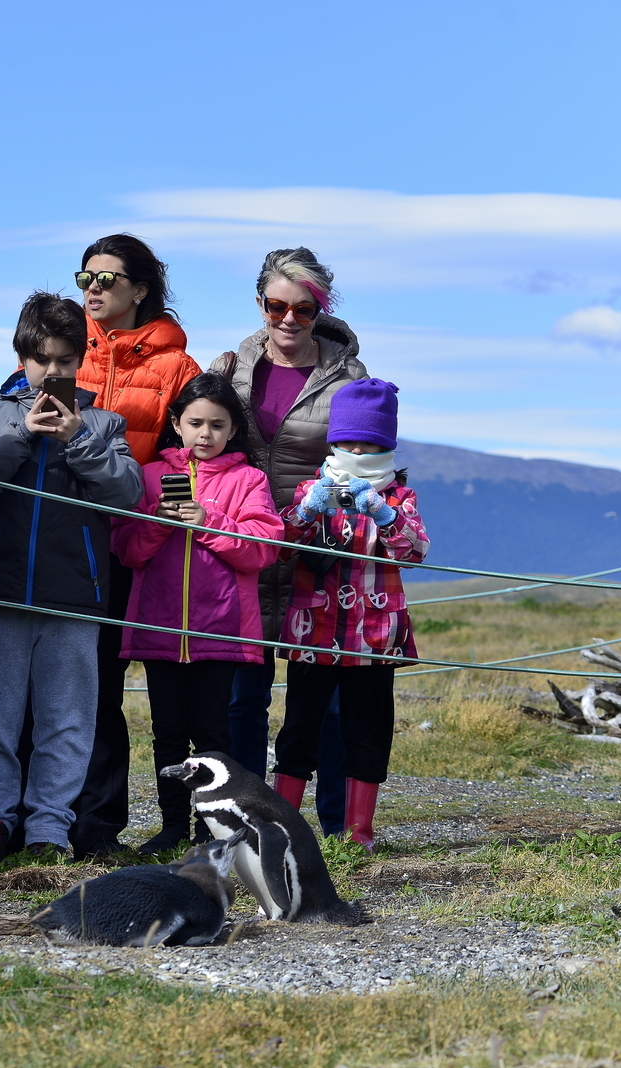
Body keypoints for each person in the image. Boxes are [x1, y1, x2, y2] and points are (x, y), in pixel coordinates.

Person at [0, 292, 141, 861]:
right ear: (22, 357)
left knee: (66, 724)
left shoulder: (105, 424)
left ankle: (48, 830)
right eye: (43, 360)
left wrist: (77, 441)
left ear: (80, 358)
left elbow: (128, 495)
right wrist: (20, 438)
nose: (54, 372)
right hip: (0, 593)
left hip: (73, 599)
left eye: (65, 360)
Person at [209, 248, 368, 834]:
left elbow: (366, 466)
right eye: (277, 305)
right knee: (240, 700)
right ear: (260, 304)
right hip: (244, 550)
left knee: (319, 705)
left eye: (304, 308)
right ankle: (246, 822)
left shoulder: (351, 380)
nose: (289, 319)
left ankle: (331, 828)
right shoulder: (230, 366)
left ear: (320, 308)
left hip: (316, 555)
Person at [69, 234, 201, 859]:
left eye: (108, 279)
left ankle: (123, 825)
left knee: (142, 692)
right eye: (85, 277)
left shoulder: (177, 368)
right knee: (83, 687)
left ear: (141, 289)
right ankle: (74, 824)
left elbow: (185, 456)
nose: (93, 289)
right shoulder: (66, 351)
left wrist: (165, 518)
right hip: (69, 543)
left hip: (141, 549)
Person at [111, 374, 282, 854]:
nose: (205, 434)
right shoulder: (147, 477)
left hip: (222, 632)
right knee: (167, 734)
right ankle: (171, 827)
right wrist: (158, 524)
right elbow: (126, 550)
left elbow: (262, 550)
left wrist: (209, 521)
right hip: (158, 631)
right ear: (175, 424)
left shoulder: (249, 480)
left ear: (233, 430)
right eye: (196, 423)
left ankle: (212, 830)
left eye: (217, 425)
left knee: (213, 735)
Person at [272, 378, 428, 850]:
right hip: (314, 633)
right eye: (348, 441)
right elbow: (279, 546)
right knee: (298, 730)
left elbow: (416, 551)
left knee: (368, 732)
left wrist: (383, 513)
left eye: (370, 443)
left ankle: (358, 831)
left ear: (386, 445)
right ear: (333, 442)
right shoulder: (310, 489)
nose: (358, 450)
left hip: (374, 637)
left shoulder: (400, 498)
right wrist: (304, 509)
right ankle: (285, 829)